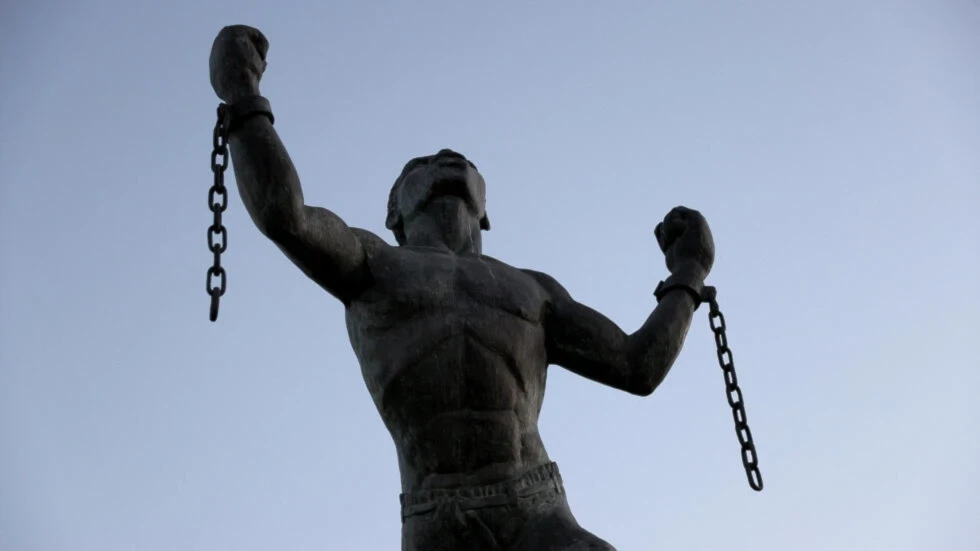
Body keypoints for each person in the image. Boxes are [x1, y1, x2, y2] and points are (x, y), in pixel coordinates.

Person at [210, 25, 715, 551]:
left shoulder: (535, 291)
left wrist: (689, 272)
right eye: (421, 165)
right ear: (394, 212)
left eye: (466, 164)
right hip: (437, 511)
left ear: (486, 211)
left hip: (537, 504)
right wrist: (243, 95)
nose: (447, 158)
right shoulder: (372, 261)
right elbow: (286, 216)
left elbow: (637, 366)